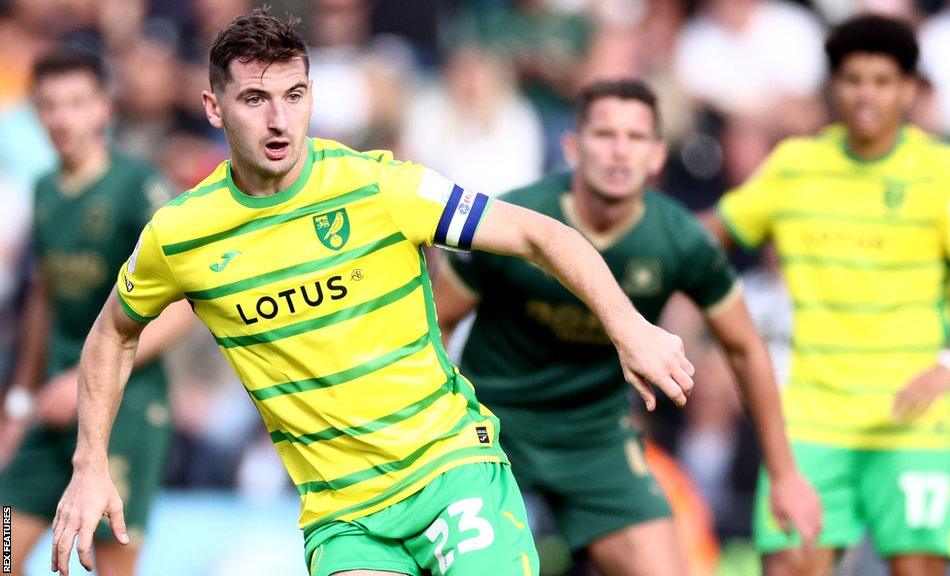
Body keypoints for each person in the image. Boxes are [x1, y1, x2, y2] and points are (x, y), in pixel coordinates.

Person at [49, 10, 697, 576]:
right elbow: (113, 331)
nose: (279, 120)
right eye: (254, 99)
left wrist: (628, 327)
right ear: (214, 108)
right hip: (344, 511)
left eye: (294, 94)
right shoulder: (181, 234)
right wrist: (89, 463)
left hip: (448, 472)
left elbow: (539, 234)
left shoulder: (379, 188)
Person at [430, 79, 820, 576]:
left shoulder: (679, 239)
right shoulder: (516, 217)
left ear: (658, 156)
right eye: (604, 135)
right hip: (493, 426)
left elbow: (745, 348)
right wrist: (437, 433)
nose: (620, 151)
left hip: (597, 437)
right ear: (573, 147)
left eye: (636, 138)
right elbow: (437, 324)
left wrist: (785, 475)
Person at [702, 15, 950, 576]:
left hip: (912, 421)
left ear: (909, 90)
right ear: (832, 87)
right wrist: (621, 232)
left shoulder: (946, 170)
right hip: (813, 417)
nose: (865, 93)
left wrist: (949, 364)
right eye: (852, 79)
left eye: (882, 80)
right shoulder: (795, 165)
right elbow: (705, 238)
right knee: (790, 567)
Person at [0, 48, 194, 576]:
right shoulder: (43, 191)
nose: (63, 118)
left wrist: (87, 377)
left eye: (76, 103)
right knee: (1, 545)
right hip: (49, 408)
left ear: (105, 108)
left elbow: (183, 307)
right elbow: (44, 297)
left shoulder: (139, 188)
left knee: (107, 567)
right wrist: (18, 399)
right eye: (50, 105)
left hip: (125, 411)